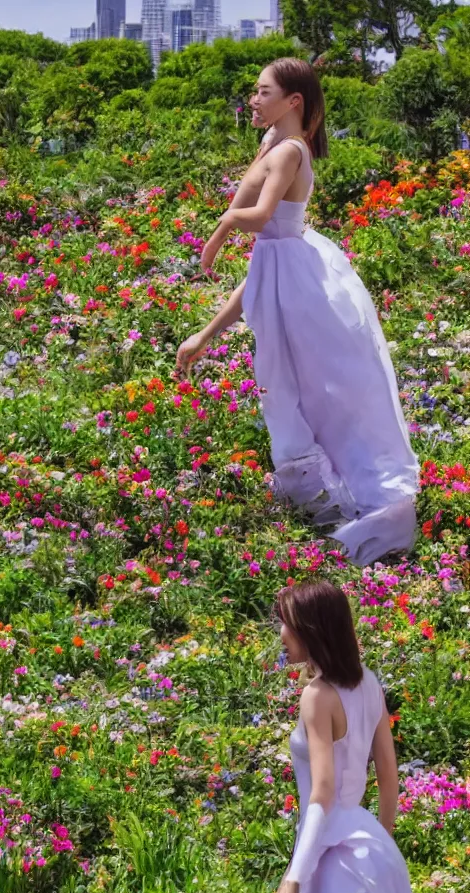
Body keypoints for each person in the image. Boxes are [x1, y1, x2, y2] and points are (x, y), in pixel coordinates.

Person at [176, 59, 420, 567]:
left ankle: (353, 514)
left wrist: (220, 230)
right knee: (297, 401)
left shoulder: (288, 149)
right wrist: (204, 335)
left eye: (263, 92)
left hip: (303, 297)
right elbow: (263, 269)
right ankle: (329, 511)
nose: (253, 99)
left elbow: (261, 217)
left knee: (322, 403)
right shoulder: (270, 147)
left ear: (293, 102)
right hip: (287, 286)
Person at [271, 580, 445, 893]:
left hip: (331, 859)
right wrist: (380, 841)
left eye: (287, 626)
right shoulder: (368, 682)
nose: (282, 636)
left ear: (311, 630)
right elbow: (389, 773)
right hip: (369, 845)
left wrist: (295, 875)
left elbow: (322, 791)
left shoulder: (317, 697)